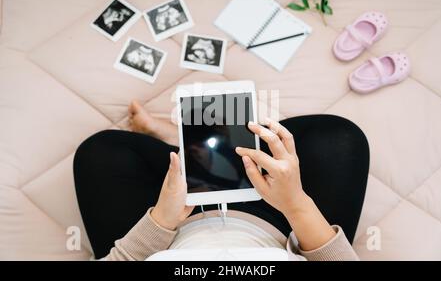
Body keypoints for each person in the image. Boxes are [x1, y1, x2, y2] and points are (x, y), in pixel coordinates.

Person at [73, 101, 369, 261]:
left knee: (100, 151)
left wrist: (160, 221)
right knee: (338, 137)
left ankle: (184, 150)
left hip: (169, 228)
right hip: (278, 222)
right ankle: (195, 151)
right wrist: (296, 204)